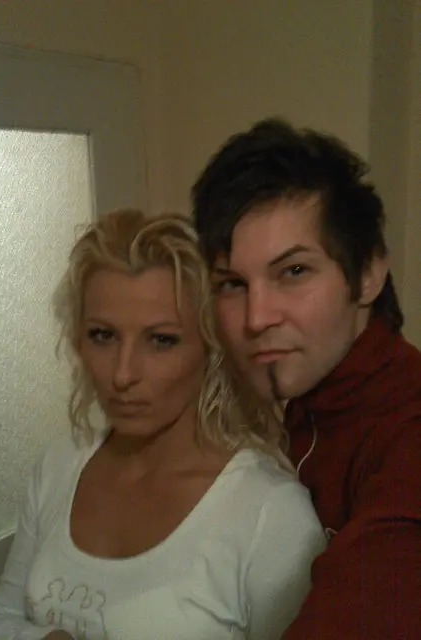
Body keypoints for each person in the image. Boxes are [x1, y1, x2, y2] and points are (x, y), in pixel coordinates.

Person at [0, 210, 325, 640]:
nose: (123, 374)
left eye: (161, 340)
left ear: (211, 349)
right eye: (103, 335)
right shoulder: (60, 467)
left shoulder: (270, 514)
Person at [192, 118, 421, 639]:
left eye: (293, 272)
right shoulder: (309, 400)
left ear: (368, 274)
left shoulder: (407, 434)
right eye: (232, 283)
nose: (256, 318)